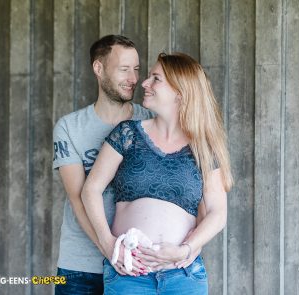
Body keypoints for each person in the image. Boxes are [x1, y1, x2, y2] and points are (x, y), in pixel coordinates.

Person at [81, 52, 233, 294]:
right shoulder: (127, 134)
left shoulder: (204, 149)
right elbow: (91, 189)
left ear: (180, 92)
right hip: (129, 273)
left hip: (183, 276)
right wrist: (108, 245)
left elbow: (218, 213)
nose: (144, 83)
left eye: (156, 78)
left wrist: (186, 248)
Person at [52, 35, 154, 294]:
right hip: (80, 267)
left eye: (136, 69)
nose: (133, 79)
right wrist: (109, 248)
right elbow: (77, 197)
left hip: (134, 266)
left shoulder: (151, 122)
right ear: (98, 69)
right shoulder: (69, 127)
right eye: (124, 69)